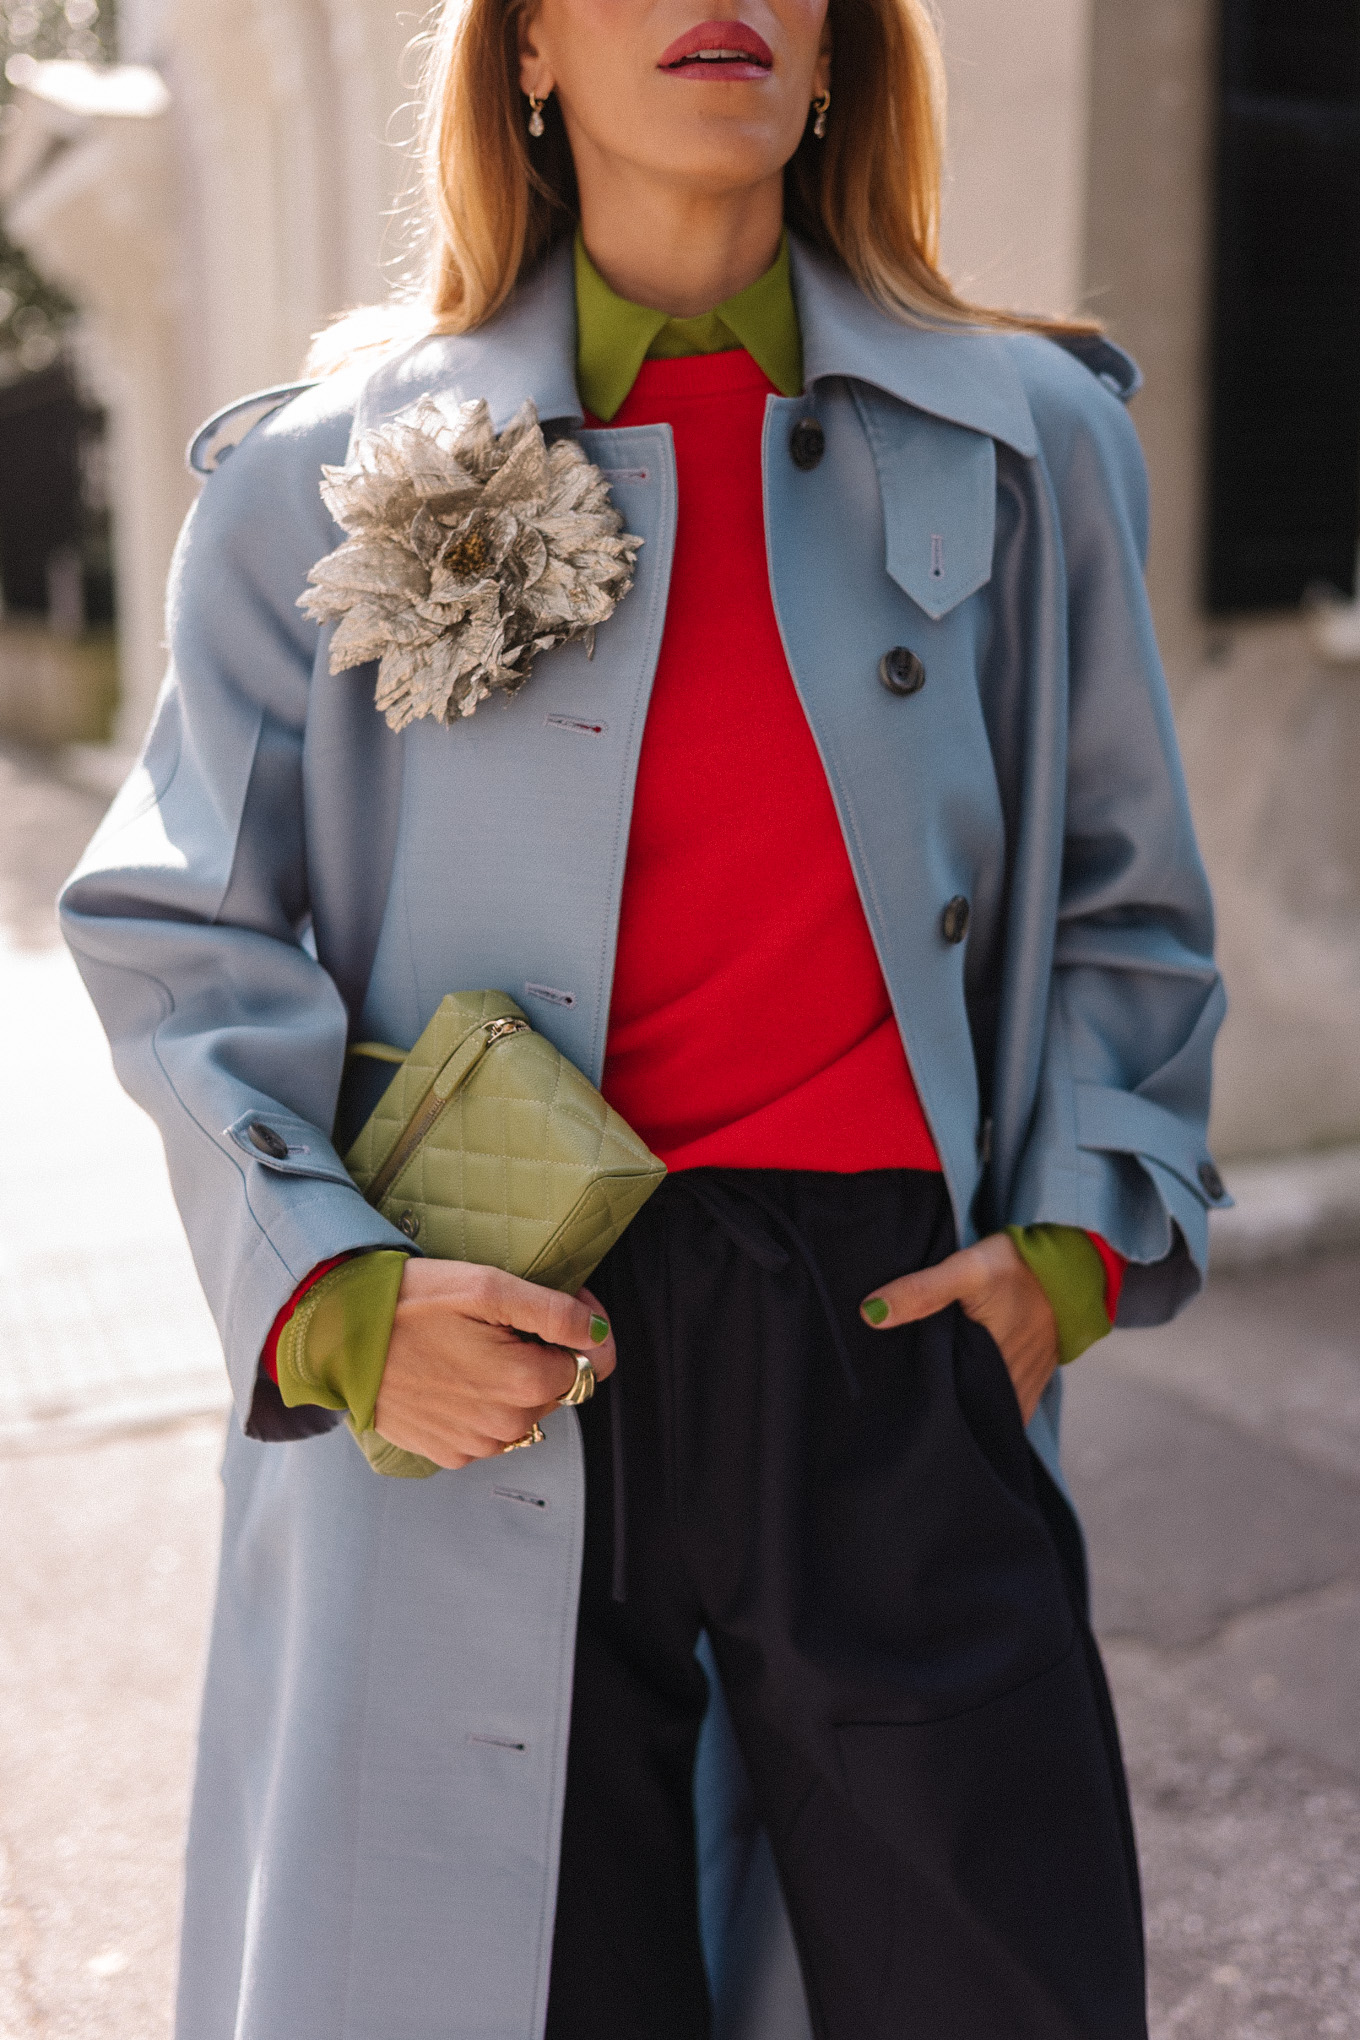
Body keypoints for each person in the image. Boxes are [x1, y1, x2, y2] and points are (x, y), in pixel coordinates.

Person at [61, 0, 1226, 2032]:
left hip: (894, 1336)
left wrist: (1072, 1250)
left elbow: (1124, 898)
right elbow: (185, 936)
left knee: (996, 1983)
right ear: (521, 52)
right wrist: (333, 1302)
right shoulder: (312, 480)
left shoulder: (1029, 438)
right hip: (487, 1327)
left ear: (843, 52)